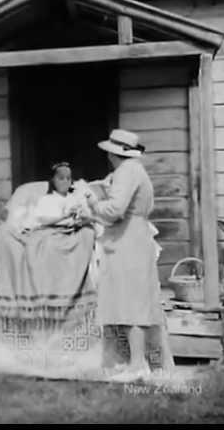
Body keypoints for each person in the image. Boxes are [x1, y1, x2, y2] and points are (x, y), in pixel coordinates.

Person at [85, 129, 174, 381]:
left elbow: (114, 209)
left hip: (127, 239)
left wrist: (92, 205)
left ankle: (137, 363)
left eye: (109, 154)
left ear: (115, 154)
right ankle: (161, 365)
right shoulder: (132, 171)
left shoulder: (127, 171)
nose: (108, 158)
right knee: (141, 300)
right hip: (134, 235)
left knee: (130, 302)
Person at [0, 162, 97, 335]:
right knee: (44, 246)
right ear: (53, 180)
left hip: (70, 232)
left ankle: (69, 296)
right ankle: (47, 299)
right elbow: (42, 220)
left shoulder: (75, 198)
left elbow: (88, 215)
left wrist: (81, 216)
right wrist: (64, 216)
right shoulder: (47, 199)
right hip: (49, 231)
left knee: (81, 239)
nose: (65, 182)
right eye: (60, 178)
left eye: (68, 178)